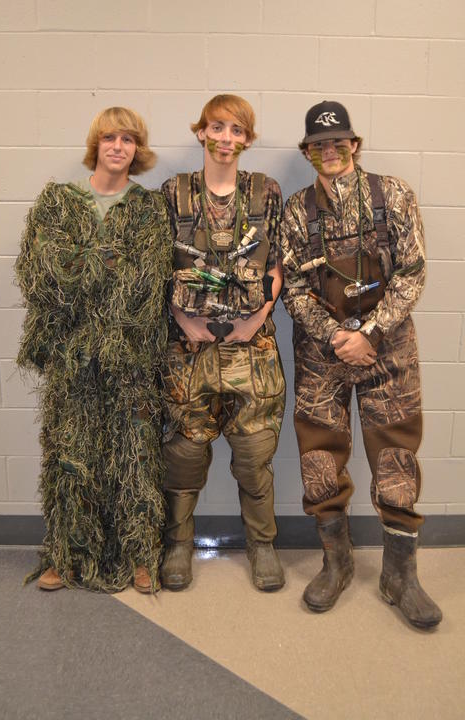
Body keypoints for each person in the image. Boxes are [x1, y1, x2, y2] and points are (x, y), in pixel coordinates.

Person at [280, 100, 442, 628]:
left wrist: (369, 331)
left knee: (395, 451)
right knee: (319, 454)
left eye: (339, 141)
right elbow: (293, 289)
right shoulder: (296, 210)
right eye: (319, 144)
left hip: (387, 346)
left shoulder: (392, 194)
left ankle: (400, 575)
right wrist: (336, 337)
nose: (330, 151)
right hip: (322, 351)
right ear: (309, 152)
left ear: (355, 144)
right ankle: (337, 561)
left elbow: (413, 272)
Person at [16, 107, 172, 593]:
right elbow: (43, 273)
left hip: (129, 356)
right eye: (110, 137)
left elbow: (147, 281)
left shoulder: (147, 209)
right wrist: (108, 264)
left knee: (135, 455)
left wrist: (85, 264)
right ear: (96, 145)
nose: (118, 147)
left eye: (128, 139)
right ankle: (67, 554)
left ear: (137, 150)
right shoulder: (59, 202)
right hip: (71, 357)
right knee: (71, 452)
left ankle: (140, 555)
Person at [160, 94, 285, 592]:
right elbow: (156, 268)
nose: (226, 138)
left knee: (255, 456)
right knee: (185, 456)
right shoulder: (172, 194)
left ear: (247, 139)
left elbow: (276, 266)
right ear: (202, 132)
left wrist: (256, 321)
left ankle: (262, 545)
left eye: (237, 130)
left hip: (251, 352)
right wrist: (180, 320)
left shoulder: (267, 192)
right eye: (217, 127)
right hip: (188, 351)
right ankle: (178, 545)